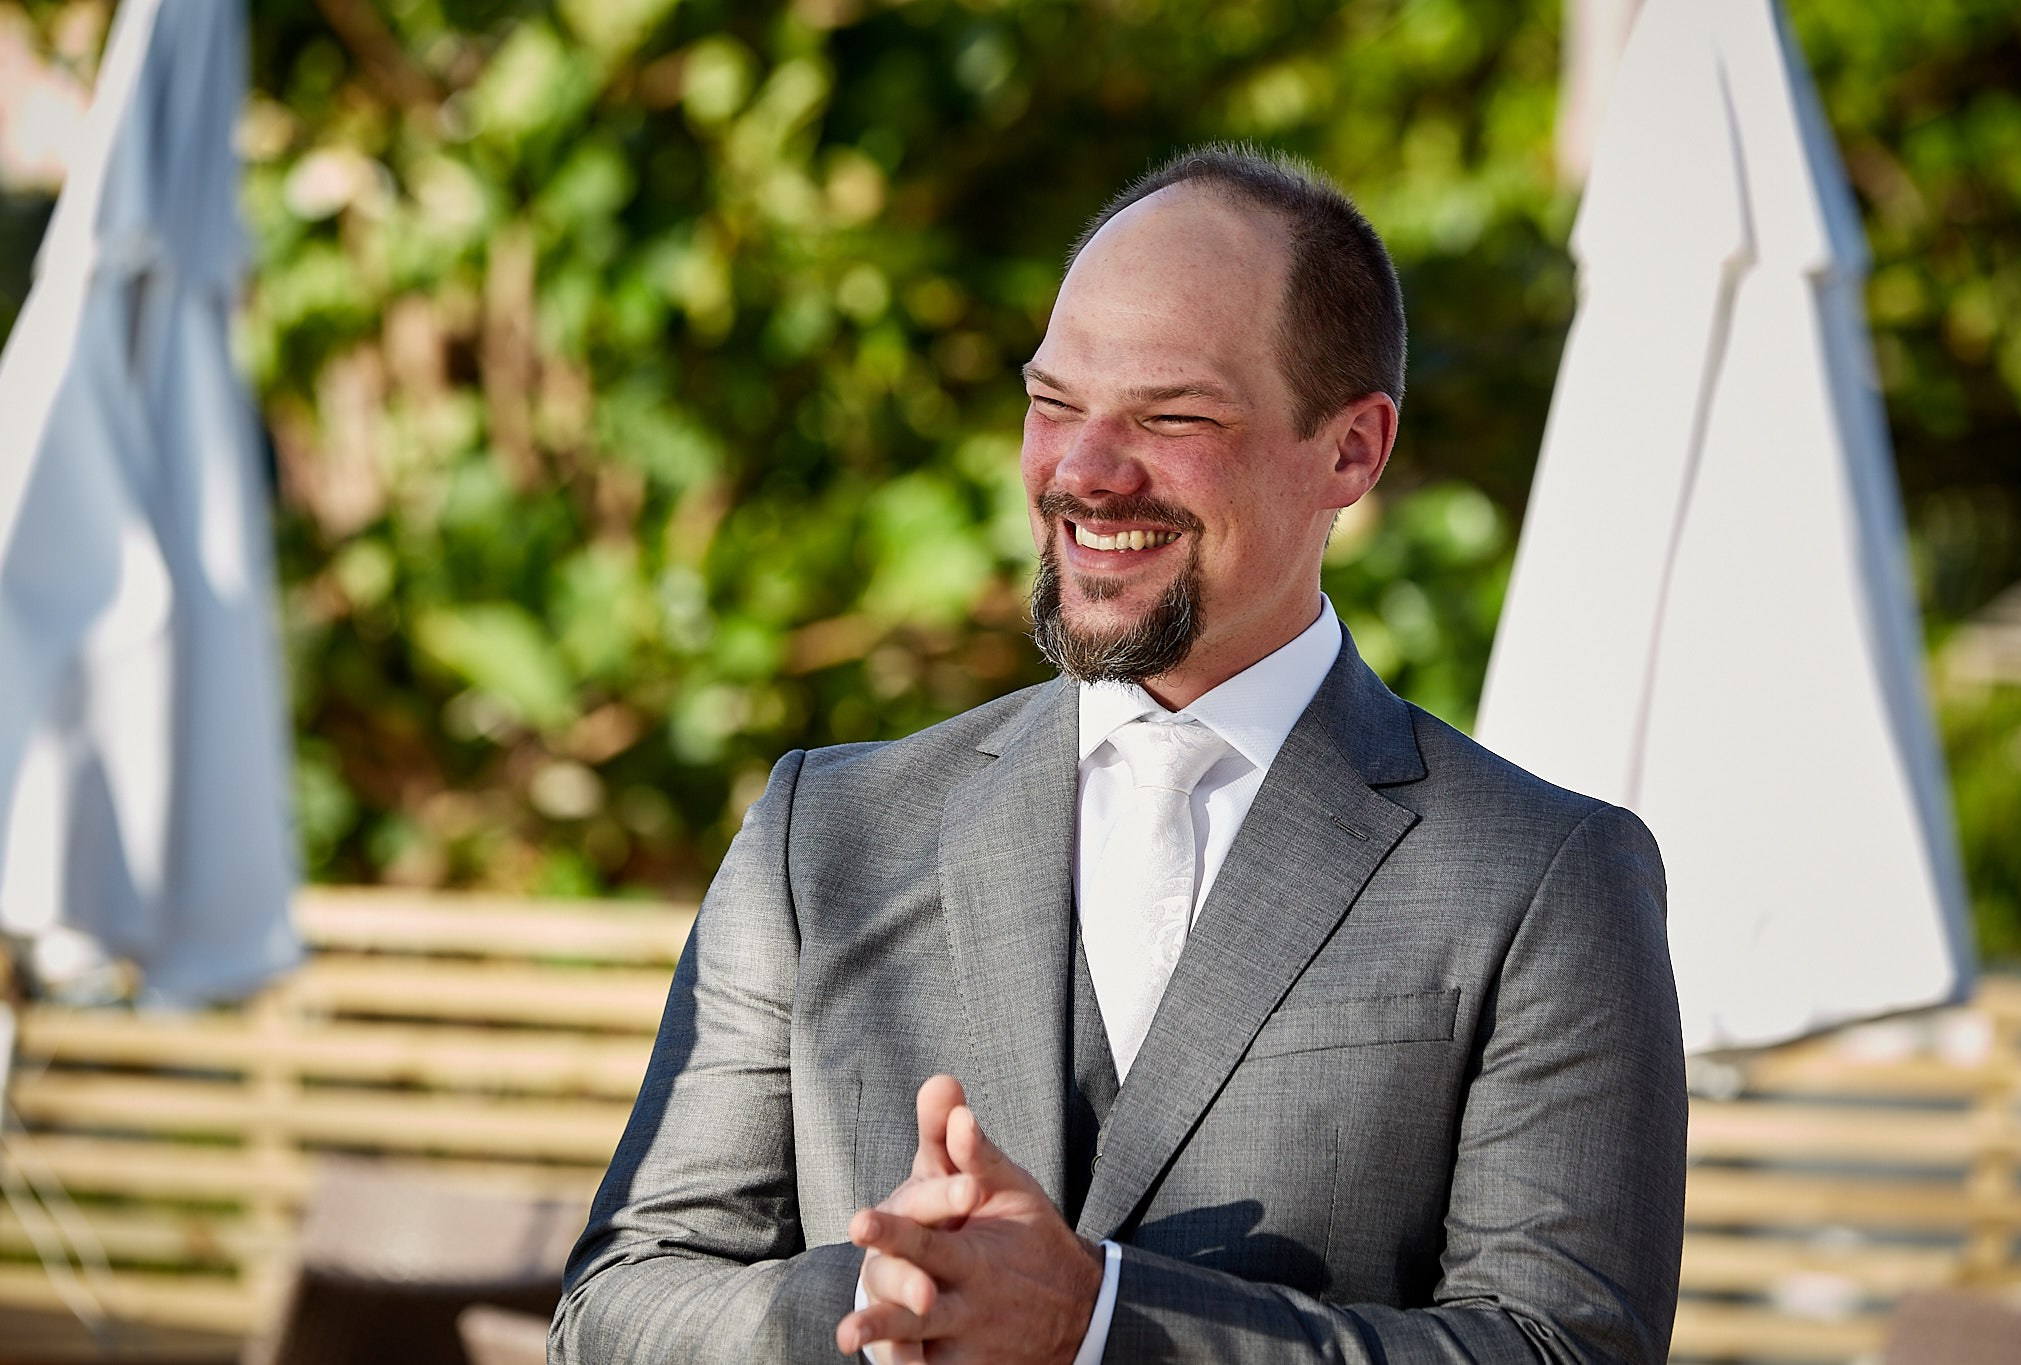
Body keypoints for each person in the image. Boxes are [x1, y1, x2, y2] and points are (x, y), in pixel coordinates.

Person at [549, 144, 1687, 1365]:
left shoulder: (1546, 875)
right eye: (1051, 405)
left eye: (1171, 416)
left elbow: (1562, 1350)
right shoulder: (819, 834)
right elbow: (614, 1307)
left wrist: (1097, 1324)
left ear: (1350, 452)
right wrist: (879, 1297)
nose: (1082, 473)